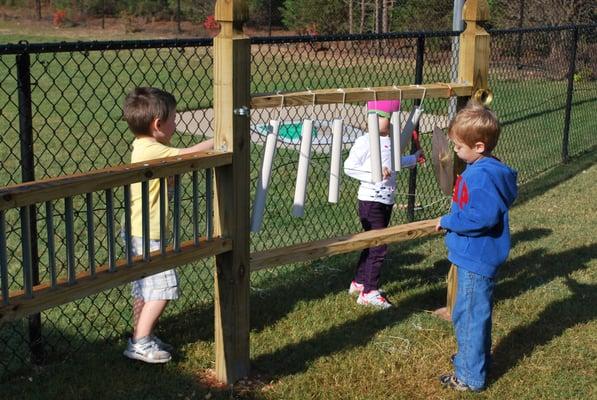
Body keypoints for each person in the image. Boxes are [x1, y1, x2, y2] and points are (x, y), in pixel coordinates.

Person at [121, 87, 214, 363]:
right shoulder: (152, 149)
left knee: (144, 289)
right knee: (163, 287)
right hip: (147, 233)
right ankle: (139, 342)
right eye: (174, 119)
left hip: (139, 230)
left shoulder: (143, 145)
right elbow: (187, 155)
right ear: (158, 125)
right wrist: (220, 139)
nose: (177, 124)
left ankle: (140, 335)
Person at [435, 101, 517, 391]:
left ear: (479, 146)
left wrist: (449, 220)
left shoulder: (482, 176)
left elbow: (480, 217)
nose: (455, 151)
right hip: (475, 256)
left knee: (469, 316)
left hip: (476, 258)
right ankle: (474, 359)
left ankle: (469, 377)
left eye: (458, 147)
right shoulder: (487, 169)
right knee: (471, 313)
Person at [344, 100, 424, 308]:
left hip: (386, 200)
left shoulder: (390, 141)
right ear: (370, 117)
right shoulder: (365, 141)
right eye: (383, 116)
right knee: (380, 245)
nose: (387, 121)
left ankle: (359, 282)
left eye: (391, 117)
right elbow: (349, 168)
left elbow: (394, 163)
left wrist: (413, 159)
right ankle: (369, 292)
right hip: (371, 201)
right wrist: (374, 174)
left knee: (373, 242)